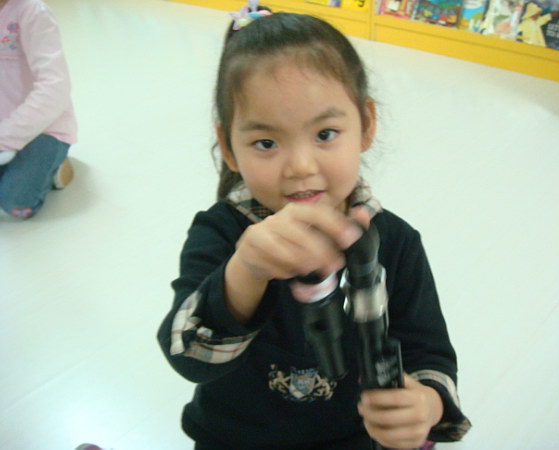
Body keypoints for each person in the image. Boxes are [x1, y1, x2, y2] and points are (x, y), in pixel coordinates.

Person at [158, 4, 471, 449]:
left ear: (366, 125)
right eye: (266, 142)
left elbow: (430, 354)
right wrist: (246, 270)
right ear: (228, 147)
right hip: (233, 439)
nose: (301, 167)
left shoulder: (395, 242)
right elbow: (190, 357)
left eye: (325, 134)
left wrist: (427, 403)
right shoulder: (221, 232)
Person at [0, 0, 77, 219]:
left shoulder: (32, 11)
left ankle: (56, 165)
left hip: (44, 127)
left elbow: (55, 88)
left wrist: (5, 137)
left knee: (16, 203)